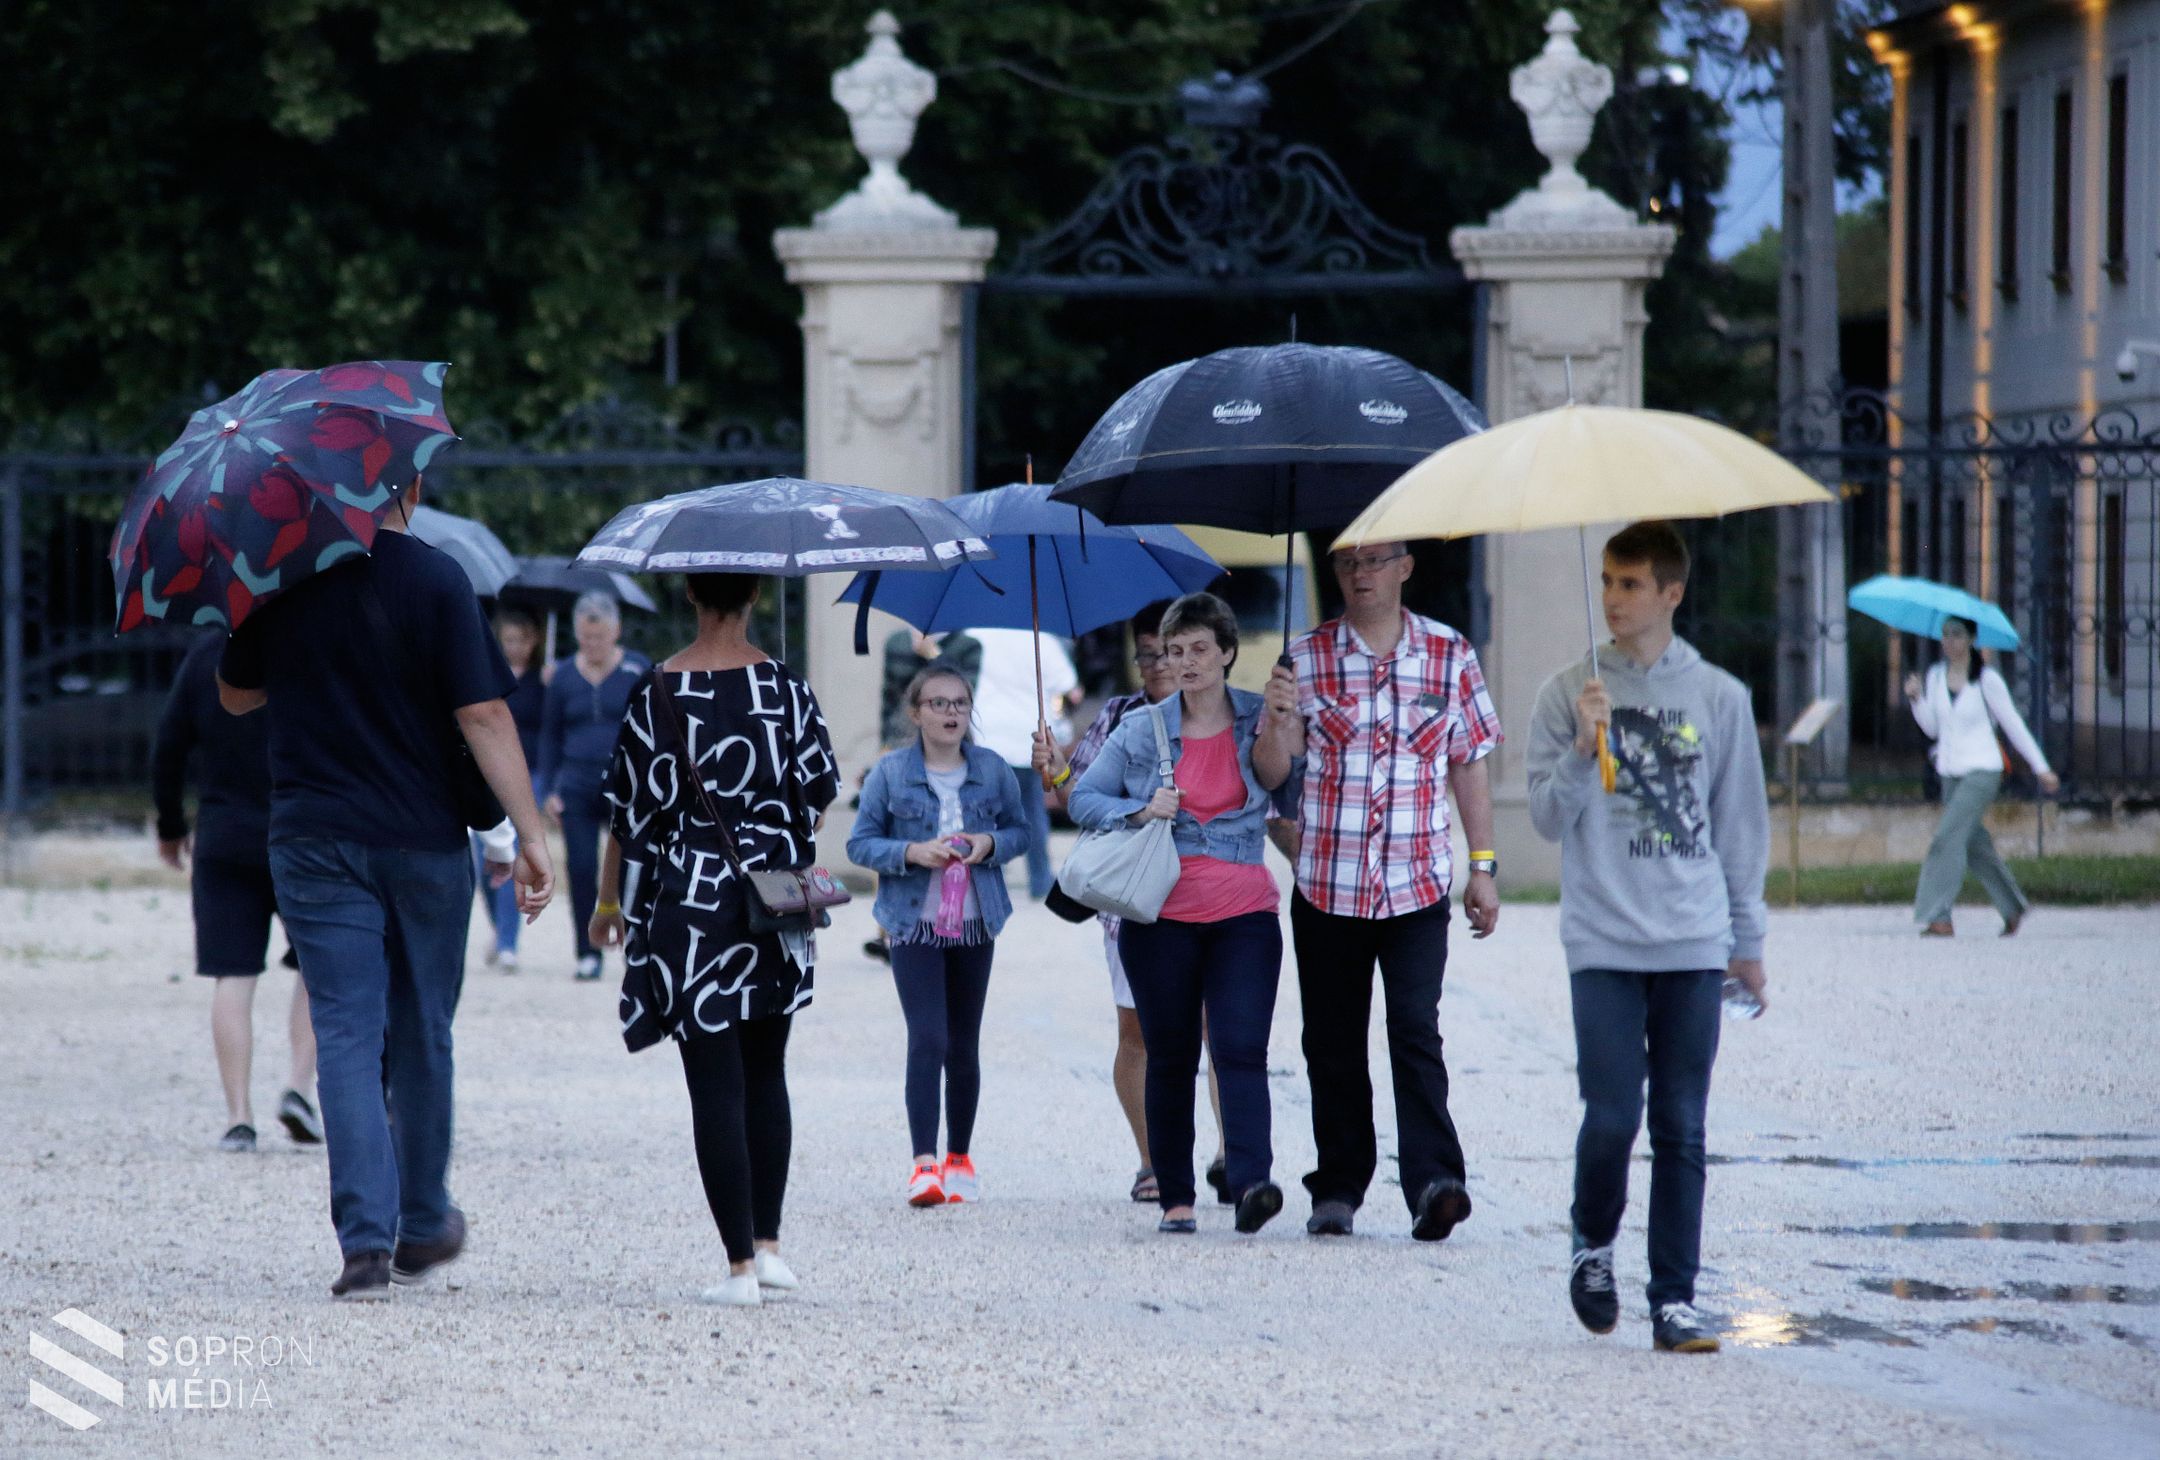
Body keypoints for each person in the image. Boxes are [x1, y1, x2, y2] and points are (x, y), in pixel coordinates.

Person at [217, 471, 554, 1302]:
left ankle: (364, 1244)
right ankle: (425, 1217)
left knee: (343, 1032)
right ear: (412, 487)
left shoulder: (283, 573)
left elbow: (233, 694)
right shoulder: (437, 577)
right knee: (424, 1029)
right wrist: (531, 834)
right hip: (422, 838)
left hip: (312, 836)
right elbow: (484, 715)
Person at [1525, 520, 1771, 1355]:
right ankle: (1592, 1245)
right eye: (1606, 582)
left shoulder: (1720, 697)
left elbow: (1740, 827)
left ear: (1672, 592)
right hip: (1602, 938)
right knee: (1610, 1114)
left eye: (1631, 585)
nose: (1613, 600)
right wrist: (1586, 746)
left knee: (1682, 1123)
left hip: (1693, 942)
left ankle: (1675, 1298)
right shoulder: (1568, 692)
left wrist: (1749, 941)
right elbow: (1549, 820)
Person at [589, 572, 839, 1308]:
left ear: (692, 596)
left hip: (691, 906)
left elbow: (626, 817)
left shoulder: (654, 690)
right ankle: (768, 1248)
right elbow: (819, 799)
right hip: (774, 903)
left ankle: (735, 1269)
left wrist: (608, 903)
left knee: (715, 1087)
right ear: (757, 596)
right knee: (768, 1073)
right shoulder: (788, 689)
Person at [1255, 541, 1501, 1242]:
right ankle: (1337, 1186)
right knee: (1330, 1040)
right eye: (1347, 564)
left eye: (1375, 561)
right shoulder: (1304, 657)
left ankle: (1434, 1182)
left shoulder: (1451, 654)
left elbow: (1470, 764)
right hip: (1329, 882)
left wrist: (1482, 865)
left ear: (1405, 568)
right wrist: (1275, 722)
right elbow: (1274, 773)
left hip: (1415, 884)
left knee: (1415, 1030)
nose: (1360, 575)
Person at [1071, 592, 1290, 1236]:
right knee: (1170, 1053)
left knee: (1240, 1045)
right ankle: (1175, 1195)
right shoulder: (1142, 729)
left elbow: (1278, 779)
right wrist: (1138, 811)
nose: (1186, 662)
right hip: (1160, 912)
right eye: (1174, 651)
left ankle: (1251, 1180)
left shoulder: (1258, 716)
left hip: (1245, 908)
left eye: (1199, 649)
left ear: (1227, 652)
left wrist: (1280, 724)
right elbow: (1084, 798)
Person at [1033, 599, 1227, 1206]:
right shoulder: (1119, 714)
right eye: (1147, 654)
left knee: (1214, 1029)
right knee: (1138, 1031)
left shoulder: (1224, 715)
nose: (1159, 665)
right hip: (1134, 899)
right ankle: (1152, 1163)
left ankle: (1229, 1153)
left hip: (1209, 893)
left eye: (1171, 650)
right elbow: (1077, 798)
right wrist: (1056, 772)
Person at [848, 664, 1028, 1206]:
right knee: (928, 1037)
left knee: (964, 1046)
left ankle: (959, 1158)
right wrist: (912, 852)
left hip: (976, 922)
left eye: (959, 703)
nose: (951, 713)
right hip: (913, 924)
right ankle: (923, 1165)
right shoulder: (891, 773)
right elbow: (860, 843)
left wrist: (989, 844)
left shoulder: (993, 770)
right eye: (938, 704)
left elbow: (1021, 832)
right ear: (915, 713)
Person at [153, 628, 321, 1153]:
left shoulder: (207, 654)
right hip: (303, 832)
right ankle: (298, 1085)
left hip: (225, 836)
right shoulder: (310, 644)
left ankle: (238, 1117)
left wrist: (170, 825)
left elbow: (169, 745)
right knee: (320, 966)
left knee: (233, 974)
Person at [1905, 615, 2058, 937]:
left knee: (1945, 838)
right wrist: (1917, 699)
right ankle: (2013, 906)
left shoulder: (1987, 680)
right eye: (1945, 635)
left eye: (1957, 634)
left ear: (1972, 639)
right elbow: (1932, 728)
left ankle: (1938, 916)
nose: (1950, 641)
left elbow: (2013, 724)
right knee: (1974, 844)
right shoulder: (1934, 676)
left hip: (1983, 769)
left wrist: (2040, 766)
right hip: (1949, 771)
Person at [539, 593, 649, 981]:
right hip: (577, 784)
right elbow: (549, 736)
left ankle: (637, 944)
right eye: (586, 638)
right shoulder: (564, 676)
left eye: (600, 637)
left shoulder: (638, 670)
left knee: (633, 868)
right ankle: (587, 951)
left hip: (628, 787)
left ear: (615, 631)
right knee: (582, 867)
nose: (594, 645)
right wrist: (550, 788)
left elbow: (653, 731)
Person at [865, 627, 981, 965]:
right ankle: (887, 928)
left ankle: (948, 917)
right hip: (902, 746)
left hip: (950, 751)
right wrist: (884, 743)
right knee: (892, 835)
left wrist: (932, 656)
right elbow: (888, 695)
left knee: (943, 836)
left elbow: (967, 691)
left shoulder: (968, 646)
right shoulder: (897, 641)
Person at [970, 625, 1079, 900]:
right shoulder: (1043, 640)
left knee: (987, 813)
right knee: (1031, 811)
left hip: (987, 734)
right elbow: (1071, 690)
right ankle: (1040, 878)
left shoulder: (977, 634)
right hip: (1027, 738)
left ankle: (989, 877)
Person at [476, 605, 547, 972]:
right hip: (488, 774)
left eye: (521, 640)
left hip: (528, 773)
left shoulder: (543, 680)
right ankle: (498, 925)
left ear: (533, 642)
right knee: (483, 860)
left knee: (514, 854)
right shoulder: (488, 676)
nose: (515, 646)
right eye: (509, 640)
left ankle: (507, 942)